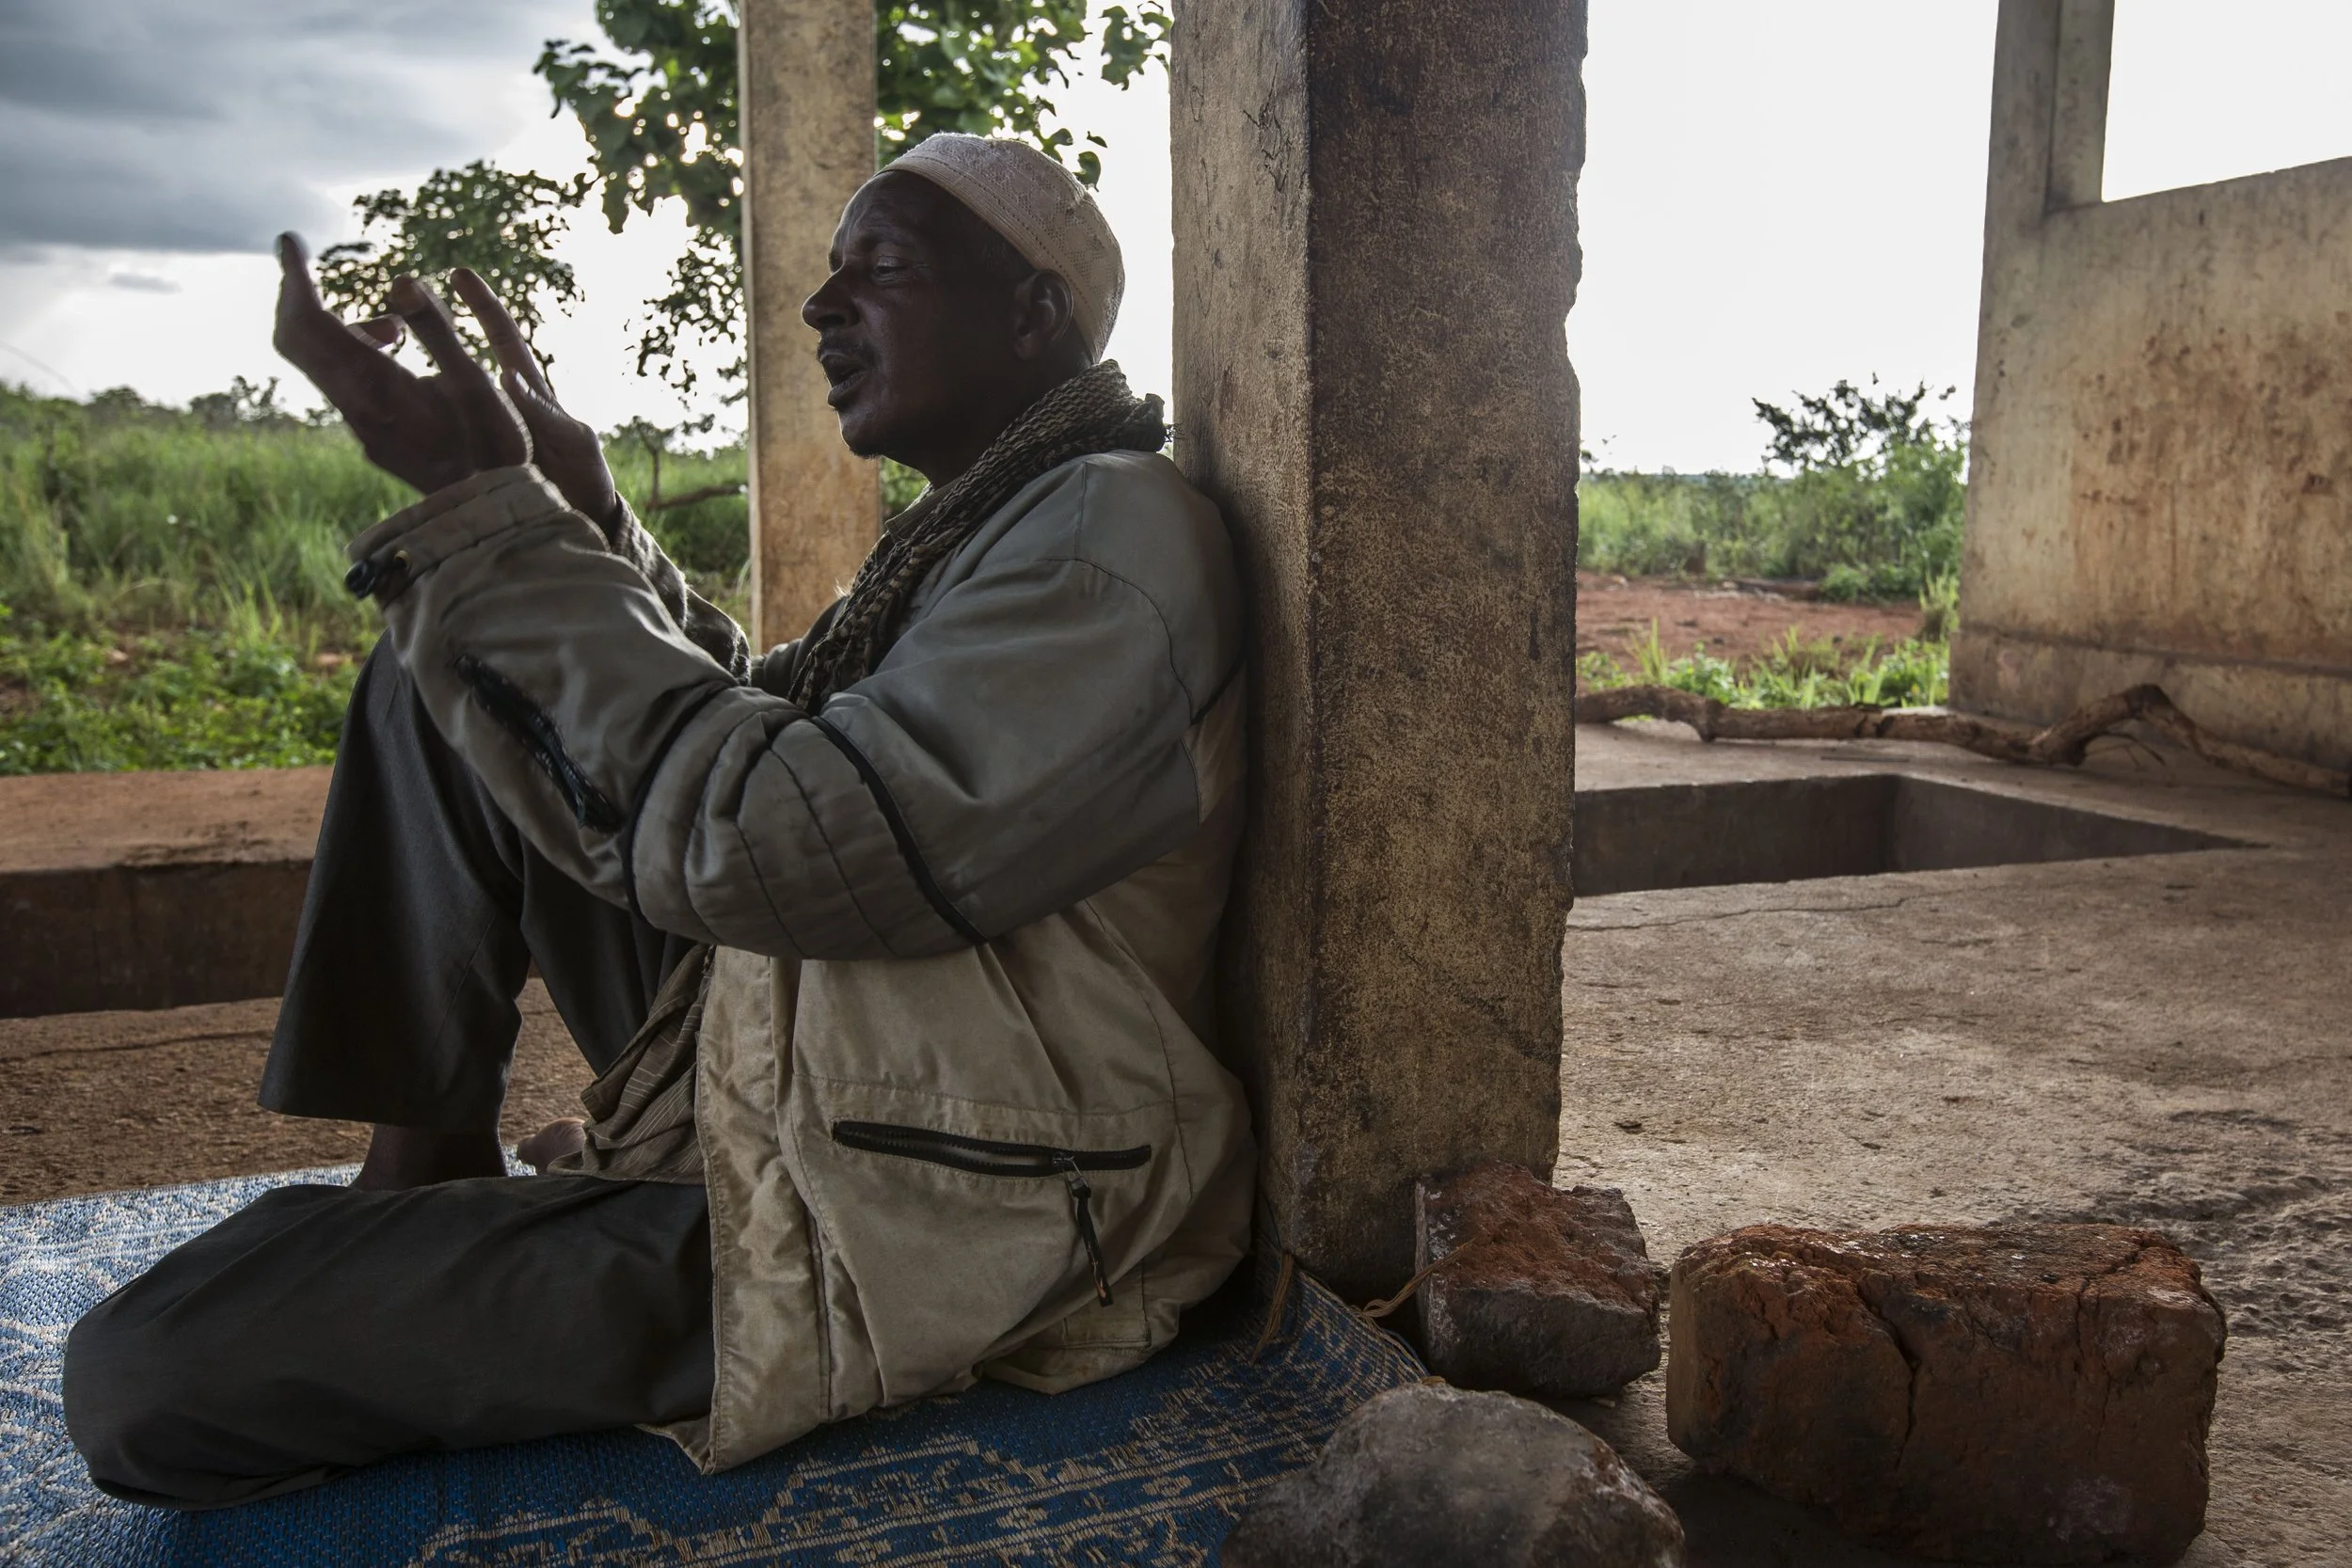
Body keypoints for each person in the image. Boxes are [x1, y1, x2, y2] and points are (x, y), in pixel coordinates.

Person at [61, 135, 1254, 1509]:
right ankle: (426, 1158)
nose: (822, 307)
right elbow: (779, 724)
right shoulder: (993, 522)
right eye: (832, 273)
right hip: (828, 1056)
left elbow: (789, 837)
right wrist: (588, 523)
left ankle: (552, 1235)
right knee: (452, 669)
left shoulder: (1106, 541)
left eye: (882, 270)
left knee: (141, 1371)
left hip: (929, 1196)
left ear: (1033, 312)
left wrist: (503, 536)